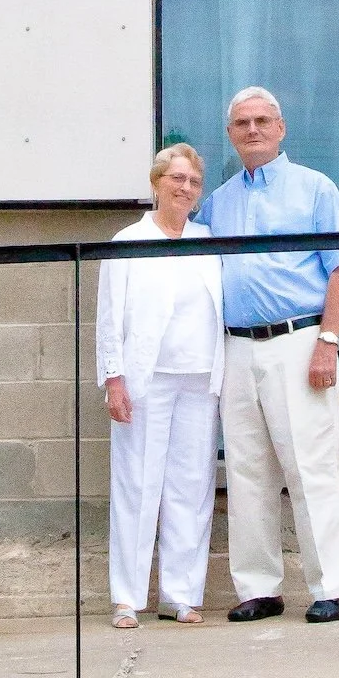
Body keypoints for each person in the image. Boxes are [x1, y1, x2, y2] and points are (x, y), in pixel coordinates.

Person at [203, 87, 339, 625]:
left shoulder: (314, 188)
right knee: (247, 471)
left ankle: (334, 587)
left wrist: (329, 342)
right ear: (231, 134)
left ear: (281, 127)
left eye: (262, 121)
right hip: (238, 346)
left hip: (300, 342)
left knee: (311, 467)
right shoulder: (219, 202)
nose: (252, 130)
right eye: (242, 123)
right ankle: (258, 588)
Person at [96, 143, 225, 629]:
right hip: (146, 380)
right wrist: (114, 378)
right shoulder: (128, 240)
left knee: (191, 489)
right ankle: (127, 598)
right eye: (176, 178)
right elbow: (109, 318)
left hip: (199, 380)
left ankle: (181, 594)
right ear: (156, 183)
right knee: (137, 484)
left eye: (192, 181)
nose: (184, 188)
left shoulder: (207, 241)